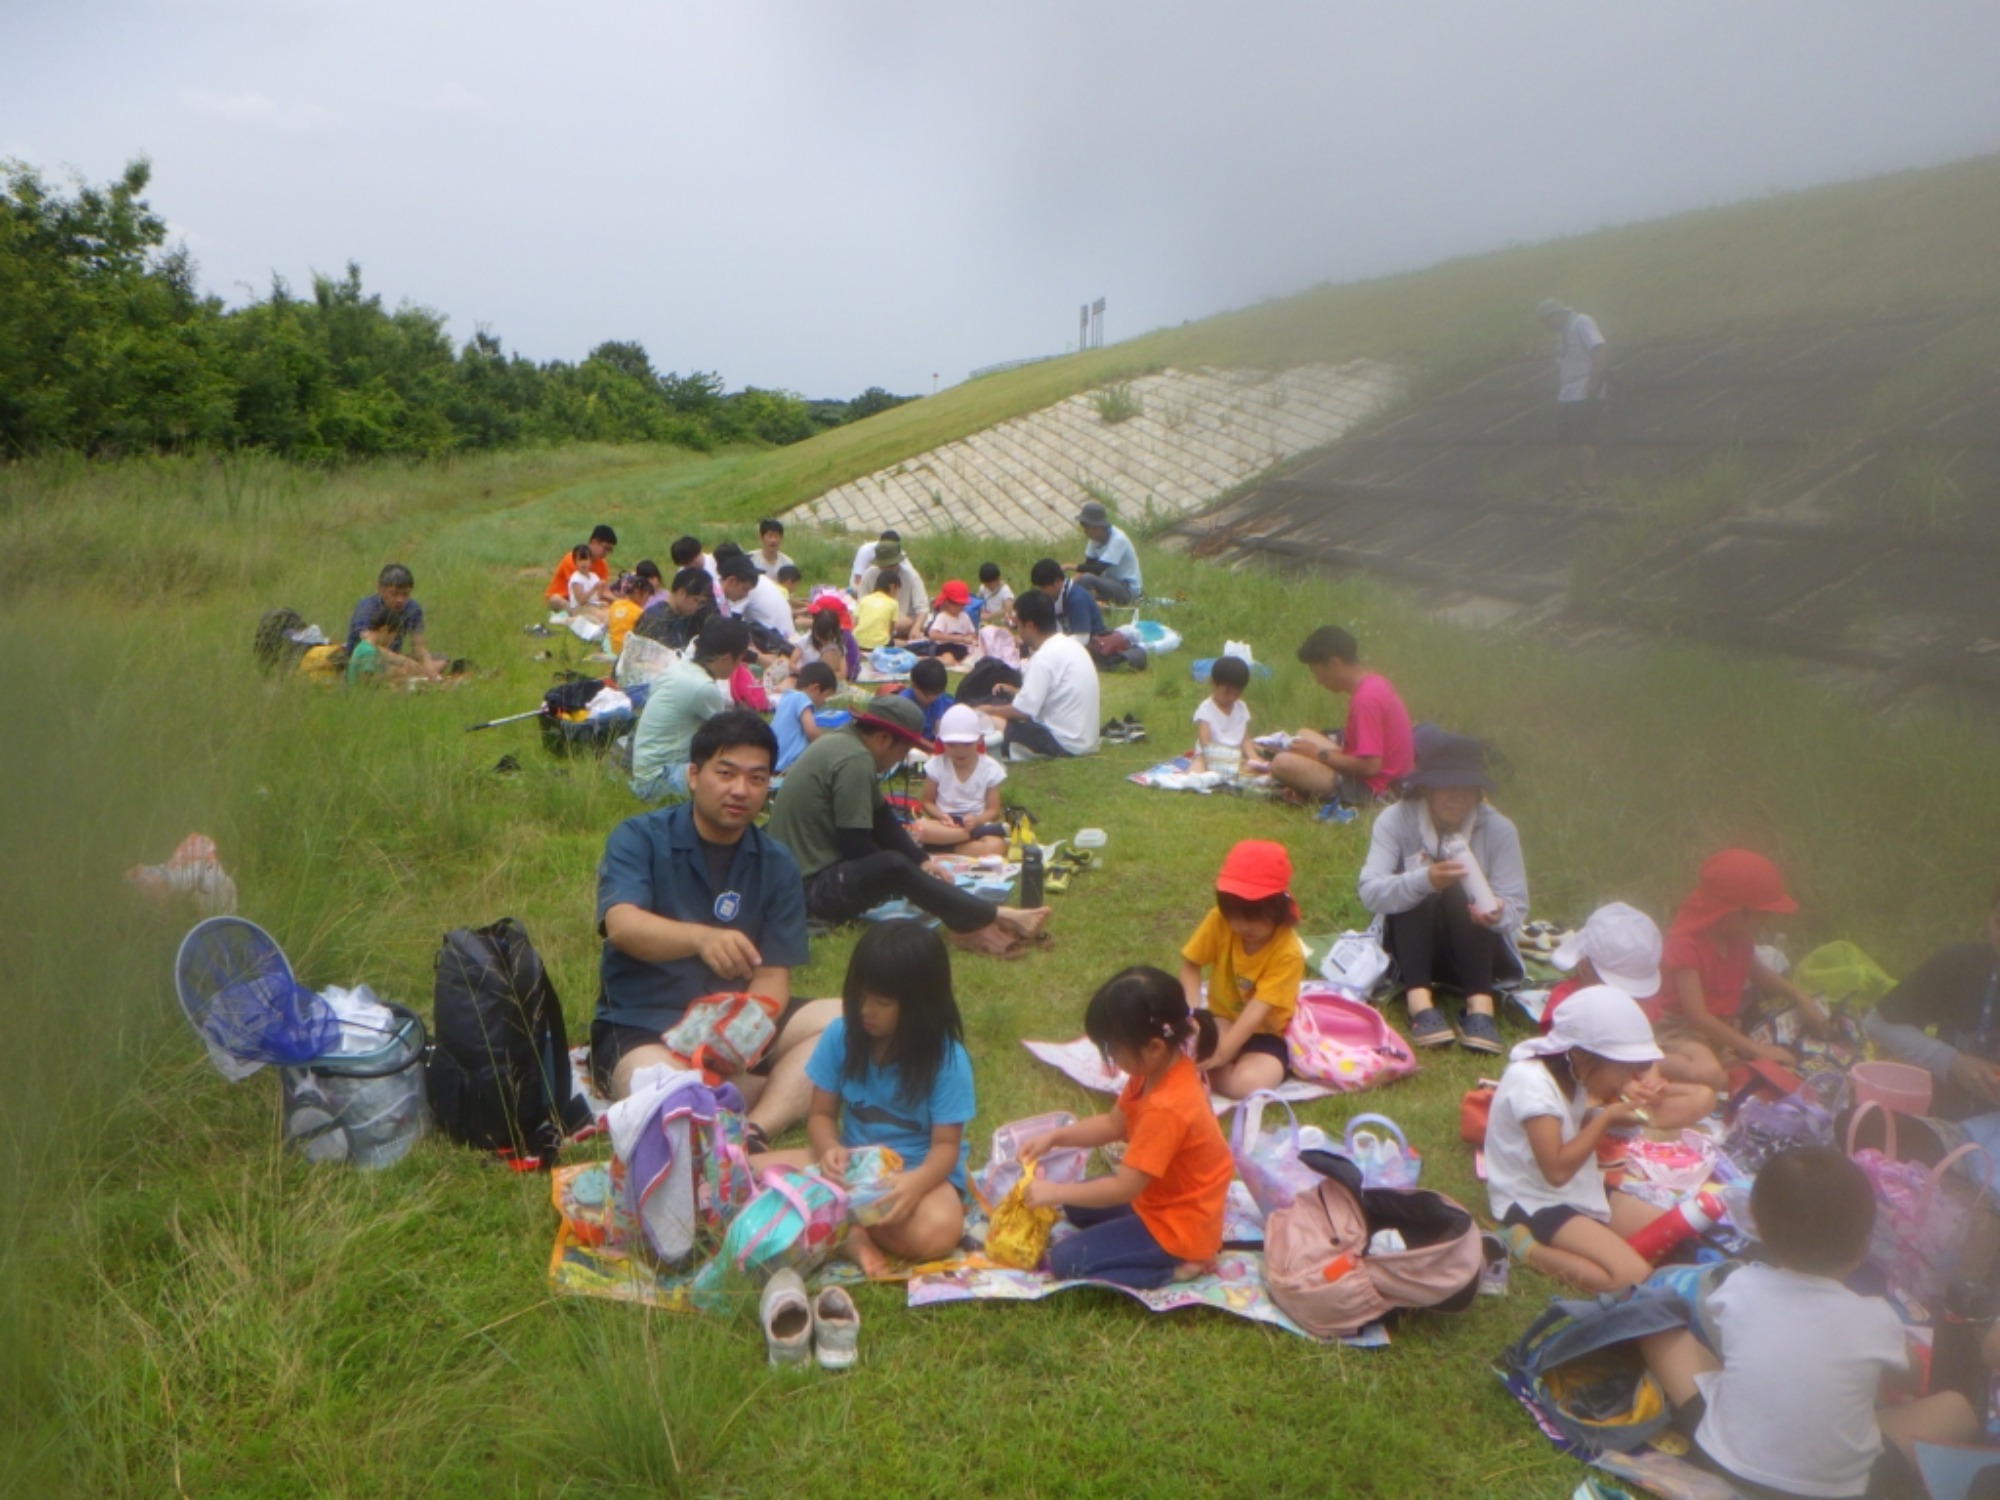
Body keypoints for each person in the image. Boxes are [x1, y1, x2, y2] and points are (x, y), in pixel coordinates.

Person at [1639, 1147, 1979, 1499]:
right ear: (1865, 1245)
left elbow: (1734, 1341)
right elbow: (1907, 1378)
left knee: (1661, 1334)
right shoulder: (1877, 1318)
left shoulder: (1740, 1285)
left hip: (1720, 1460)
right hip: (1833, 1492)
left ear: (1760, 1230)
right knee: (1955, 1408)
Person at [592, 711, 834, 1151]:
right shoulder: (639, 838)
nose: (740, 790)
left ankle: (755, 1128)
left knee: (854, 1025)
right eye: (726, 773)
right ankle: (758, 1091)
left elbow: (773, 976)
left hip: (736, 1028)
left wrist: (742, 1029)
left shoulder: (775, 862)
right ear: (693, 775)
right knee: (667, 1091)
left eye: (757, 778)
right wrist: (701, 939)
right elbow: (621, 926)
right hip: (646, 1024)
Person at [747, 920, 975, 1276]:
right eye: (861, 996)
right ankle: (850, 1225)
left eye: (882, 1002)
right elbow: (821, 1116)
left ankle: (835, 1221)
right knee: (746, 1174)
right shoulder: (842, 1034)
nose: (866, 1010)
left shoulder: (946, 1060)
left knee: (940, 1231)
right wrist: (829, 1151)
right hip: (849, 1164)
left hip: (915, 1173)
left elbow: (946, 1147)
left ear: (920, 1005)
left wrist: (914, 1185)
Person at [763, 695, 1050, 958]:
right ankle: (992, 916)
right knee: (892, 866)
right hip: (804, 893)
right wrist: (909, 876)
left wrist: (922, 862)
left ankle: (974, 917)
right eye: (905, 750)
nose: (903, 759)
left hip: (796, 878)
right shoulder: (855, 761)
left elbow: (881, 818)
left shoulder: (845, 744)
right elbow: (856, 845)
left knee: (899, 864)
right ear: (885, 739)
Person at [1019, 967, 1233, 1288]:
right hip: (1158, 1198)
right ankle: (1154, 1245)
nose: (1112, 1060)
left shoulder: (1168, 1107)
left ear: (1154, 1047)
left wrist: (1054, 1191)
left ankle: (1179, 1267)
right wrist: (1055, 1137)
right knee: (1076, 1206)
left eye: (1114, 1050)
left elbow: (1123, 1188)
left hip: (1179, 1225)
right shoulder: (1153, 1070)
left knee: (1066, 1262)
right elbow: (1112, 1123)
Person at [1486, 985, 1669, 1292]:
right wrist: (1608, 1117)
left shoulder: (1573, 1075)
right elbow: (1556, 1171)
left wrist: (1613, 1117)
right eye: (1624, 1069)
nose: (1629, 1080)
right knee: (1632, 1278)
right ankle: (1526, 1246)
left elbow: (1573, 1124)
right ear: (1584, 1057)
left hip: (1578, 1189)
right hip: (1534, 1201)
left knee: (1672, 1232)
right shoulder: (1533, 1084)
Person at [1357, 732, 1526, 1053]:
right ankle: (1419, 1004)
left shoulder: (1500, 830)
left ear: (1479, 793)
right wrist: (1425, 880)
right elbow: (1369, 892)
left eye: (1467, 789)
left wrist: (1497, 911)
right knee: (1419, 886)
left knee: (1462, 889)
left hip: (1473, 953)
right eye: (1448, 787)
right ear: (1427, 788)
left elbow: (1518, 909)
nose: (1457, 798)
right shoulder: (1394, 820)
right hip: (1405, 952)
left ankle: (1480, 1008)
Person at [1661, 849, 1829, 1070]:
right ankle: (1651, 1063)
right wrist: (1757, 1050)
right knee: (1708, 1071)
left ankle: (1726, 1061)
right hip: (1680, 1030)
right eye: (1763, 915)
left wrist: (1800, 996)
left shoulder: (1739, 939)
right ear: (1737, 913)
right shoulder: (1686, 945)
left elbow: (1760, 974)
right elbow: (1697, 1016)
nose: (1765, 922)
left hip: (1718, 1030)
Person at [1546, 902, 1726, 1102]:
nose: (1629, 999)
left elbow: (1645, 1055)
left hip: (1626, 1090)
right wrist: (1622, 1084)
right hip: (1585, 1088)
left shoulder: (1641, 1004)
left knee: (1703, 1097)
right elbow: (1567, 1065)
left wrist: (1651, 1080)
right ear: (1585, 968)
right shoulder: (1567, 1003)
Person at [1864, 887, 2000, 1136]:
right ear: (1990, 918)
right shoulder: (1961, 964)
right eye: (1999, 924)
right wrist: (1951, 1061)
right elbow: (1877, 1023)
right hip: (1945, 1118)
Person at [1179, 840, 1306, 1099]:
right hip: (1223, 1019)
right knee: (1195, 1050)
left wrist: (1222, 1054)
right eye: (1234, 915)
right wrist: (1192, 1015)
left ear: (1279, 909)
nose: (1243, 926)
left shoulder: (1288, 952)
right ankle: (1207, 1068)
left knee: (1247, 1085)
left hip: (1267, 1033)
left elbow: (1257, 1012)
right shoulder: (1219, 920)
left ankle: (1209, 1072)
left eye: (1256, 916)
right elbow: (1191, 966)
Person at [1268, 626, 1414, 821]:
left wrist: (1317, 754)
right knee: (1304, 733)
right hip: (1389, 774)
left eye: (1317, 673)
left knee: (1281, 763)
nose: (1318, 681)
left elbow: (1371, 767)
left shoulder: (1365, 700)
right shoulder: (1374, 683)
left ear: (1334, 663)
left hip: (1375, 788)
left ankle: (1324, 787)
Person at [629, 617, 748, 801]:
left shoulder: (679, 667)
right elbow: (729, 736)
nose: (739, 667)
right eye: (739, 660)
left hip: (644, 773)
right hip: (660, 779)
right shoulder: (702, 687)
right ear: (725, 659)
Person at [985, 590, 1099, 761]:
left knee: (990, 721)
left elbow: (1022, 712)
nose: (1018, 632)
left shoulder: (1043, 657)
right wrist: (1016, 691)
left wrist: (986, 710)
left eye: (1019, 626)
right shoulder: (1070, 645)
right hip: (1085, 740)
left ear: (1030, 626)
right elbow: (1055, 692)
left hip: (1063, 743)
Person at [1537, 299, 1609, 497]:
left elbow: (1600, 348)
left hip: (1585, 388)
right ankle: (1568, 485)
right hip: (1567, 393)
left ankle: (1589, 485)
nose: (1547, 326)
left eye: (1547, 320)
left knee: (1585, 439)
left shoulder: (1581, 322)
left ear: (1556, 315)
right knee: (1564, 441)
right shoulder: (1561, 334)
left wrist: (1595, 379)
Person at [913, 704, 1006, 856]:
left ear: (979, 740)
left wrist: (976, 821)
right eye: (952, 745)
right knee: (919, 828)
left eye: (967, 744)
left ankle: (941, 848)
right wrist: (941, 816)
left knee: (996, 846)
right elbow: (927, 802)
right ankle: (961, 843)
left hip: (975, 824)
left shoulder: (989, 768)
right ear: (942, 742)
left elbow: (993, 809)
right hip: (944, 824)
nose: (959, 751)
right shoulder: (937, 764)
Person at [345, 563, 444, 678]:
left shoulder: (413, 608)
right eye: (394, 594)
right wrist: (406, 663)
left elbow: (418, 646)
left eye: (405, 594)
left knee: (441, 659)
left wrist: (428, 665)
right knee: (399, 670)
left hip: (394, 657)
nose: (400, 600)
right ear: (381, 590)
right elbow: (370, 646)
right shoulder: (366, 608)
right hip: (365, 659)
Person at [1071, 499, 1142, 606]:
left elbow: (1097, 569)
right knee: (1079, 587)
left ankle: (1091, 608)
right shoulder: (1095, 539)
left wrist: (1069, 566)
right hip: (1110, 583)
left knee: (1086, 579)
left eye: (1086, 529)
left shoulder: (1118, 539)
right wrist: (1069, 585)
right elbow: (1088, 565)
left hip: (1126, 589)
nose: (1085, 532)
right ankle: (1093, 605)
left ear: (1096, 527)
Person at [772, 660, 838, 773]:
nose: (824, 703)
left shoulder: (786, 697)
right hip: (791, 764)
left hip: (776, 760)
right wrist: (829, 746)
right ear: (815, 688)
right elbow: (811, 732)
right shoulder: (802, 698)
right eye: (826, 696)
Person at [1189, 654, 1252, 775]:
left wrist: (1254, 758)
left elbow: (1245, 740)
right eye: (1227, 692)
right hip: (1210, 755)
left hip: (1235, 756)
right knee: (1197, 767)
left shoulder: (1241, 708)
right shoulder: (1206, 708)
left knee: (1251, 770)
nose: (1232, 697)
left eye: (1237, 693)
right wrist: (1219, 758)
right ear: (1213, 683)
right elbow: (1204, 741)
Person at [345, 601, 432, 686]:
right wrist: (393, 674)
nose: (392, 640)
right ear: (384, 630)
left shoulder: (368, 647)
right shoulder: (369, 651)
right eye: (392, 636)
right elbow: (366, 680)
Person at [718, 555, 795, 647]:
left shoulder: (718, 597)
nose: (746, 595)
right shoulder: (712, 602)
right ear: (732, 581)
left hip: (775, 638)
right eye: (745, 589)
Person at [632, 567, 716, 651]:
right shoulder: (656, 620)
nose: (697, 606)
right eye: (696, 600)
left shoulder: (681, 617)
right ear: (682, 593)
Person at [1029, 557, 1106, 638]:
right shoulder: (1055, 596)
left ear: (1057, 583)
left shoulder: (1077, 599)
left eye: (1042, 588)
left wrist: (1052, 646)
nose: (1041, 592)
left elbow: (1083, 638)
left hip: (1092, 643)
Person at [858, 538, 927, 623]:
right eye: (883, 565)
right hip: (874, 618)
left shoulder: (911, 577)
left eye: (890, 565)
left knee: (905, 622)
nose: (886, 568)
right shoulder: (869, 575)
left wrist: (916, 628)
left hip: (900, 620)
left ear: (897, 563)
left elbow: (922, 608)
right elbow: (861, 603)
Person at [545, 524, 617, 605]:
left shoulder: (603, 565)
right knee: (556, 600)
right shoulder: (572, 559)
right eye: (605, 548)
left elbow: (603, 590)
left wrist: (618, 601)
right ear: (594, 542)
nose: (606, 553)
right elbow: (577, 591)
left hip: (588, 599)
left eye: (610, 550)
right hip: (566, 597)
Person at [794, 600, 855, 683]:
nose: (824, 641)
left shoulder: (833, 649)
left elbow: (841, 674)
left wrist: (813, 675)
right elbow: (792, 663)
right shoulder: (806, 641)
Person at [922, 581, 978, 661]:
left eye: (962, 605)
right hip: (946, 646)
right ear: (947, 603)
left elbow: (972, 632)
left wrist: (969, 637)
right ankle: (926, 660)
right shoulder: (943, 617)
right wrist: (955, 638)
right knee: (948, 660)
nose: (960, 607)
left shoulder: (964, 616)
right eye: (957, 604)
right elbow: (933, 635)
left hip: (962, 647)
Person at [900, 658, 954, 739]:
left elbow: (938, 725)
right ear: (914, 685)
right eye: (926, 696)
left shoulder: (937, 699)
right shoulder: (904, 703)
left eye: (936, 695)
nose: (931, 699)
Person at [604, 572, 654, 655]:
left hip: (611, 648)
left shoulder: (615, 604)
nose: (647, 600)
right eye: (647, 597)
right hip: (627, 651)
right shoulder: (639, 612)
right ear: (638, 593)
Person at [854, 571, 904, 650]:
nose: (896, 593)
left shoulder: (864, 599)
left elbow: (854, 622)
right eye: (897, 589)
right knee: (903, 644)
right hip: (880, 645)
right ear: (892, 586)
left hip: (857, 642)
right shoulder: (893, 603)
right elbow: (890, 630)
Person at [976, 562, 1015, 630]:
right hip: (986, 618)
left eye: (990, 585)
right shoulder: (983, 588)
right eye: (985, 584)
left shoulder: (1005, 591)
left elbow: (1007, 609)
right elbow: (978, 600)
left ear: (998, 579)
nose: (988, 587)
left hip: (1001, 620)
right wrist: (981, 610)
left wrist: (989, 616)